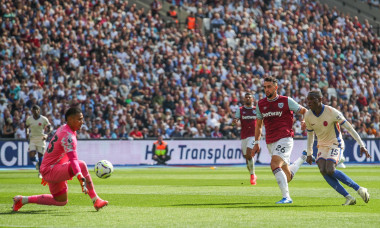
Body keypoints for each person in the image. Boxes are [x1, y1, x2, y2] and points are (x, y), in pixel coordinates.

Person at [13, 107, 108, 212]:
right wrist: (80, 177)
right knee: (81, 165)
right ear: (70, 120)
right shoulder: (68, 137)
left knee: (61, 201)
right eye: (79, 119)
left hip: (49, 168)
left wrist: (45, 170)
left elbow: (55, 151)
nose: (82, 122)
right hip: (50, 169)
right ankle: (96, 200)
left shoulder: (64, 128)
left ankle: (22, 200)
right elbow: (73, 160)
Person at [304, 90, 371, 205]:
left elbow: (349, 128)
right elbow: (310, 134)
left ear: (320, 100)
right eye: (308, 100)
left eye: (312, 100)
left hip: (335, 143)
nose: (309, 102)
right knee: (322, 170)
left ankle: (359, 189)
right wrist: (309, 153)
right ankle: (349, 197)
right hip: (321, 145)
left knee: (330, 169)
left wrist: (362, 145)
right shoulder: (308, 115)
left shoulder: (332, 112)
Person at [252, 76, 308, 204]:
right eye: (265, 87)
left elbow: (305, 111)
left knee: (274, 164)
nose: (266, 89)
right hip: (270, 141)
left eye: (269, 87)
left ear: (276, 87)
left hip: (285, 138)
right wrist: (256, 143)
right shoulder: (260, 104)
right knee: (287, 177)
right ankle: (302, 159)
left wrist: (304, 120)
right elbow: (259, 125)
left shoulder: (286, 101)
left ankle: (287, 197)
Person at [232, 92, 258, 185]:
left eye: (249, 97)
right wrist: (233, 122)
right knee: (247, 158)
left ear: (252, 99)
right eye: (246, 97)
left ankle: (252, 176)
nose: (247, 99)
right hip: (244, 136)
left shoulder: (256, 109)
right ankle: (253, 174)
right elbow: (235, 120)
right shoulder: (240, 110)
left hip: (253, 135)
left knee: (249, 153)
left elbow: (261, 121)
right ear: (244, 99)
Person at [25, 105, 52, 178]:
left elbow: (50, 128)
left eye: (36, 110)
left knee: (40, 155)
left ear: (38, 110)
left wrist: (46, 135)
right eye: (33, 110)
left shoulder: (44, 119)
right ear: (32, 111)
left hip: (41, 138)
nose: (34, 111)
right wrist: (27, 133)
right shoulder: (29, 119)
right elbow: (26, 126)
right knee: (31, 156)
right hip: (33, 138)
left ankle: (40, 173)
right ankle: (37, 162)